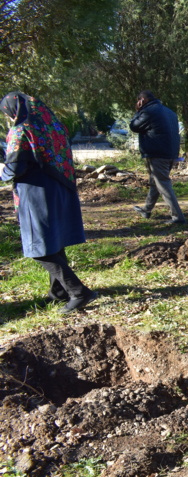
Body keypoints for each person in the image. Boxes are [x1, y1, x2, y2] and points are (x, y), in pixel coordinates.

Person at [1, 92, 99, 314]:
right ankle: (59, 292)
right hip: (60, 189)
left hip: (36, 193)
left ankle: (79, 292)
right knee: (53, 240)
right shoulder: (55, 127)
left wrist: (2, 172)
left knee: (39, 248)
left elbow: (16, 167)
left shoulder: (20, 130)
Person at [129, 90, 186, 224]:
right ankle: (147, 209)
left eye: (139, 101)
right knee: (156, 182)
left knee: (163, 184)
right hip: (170, 153)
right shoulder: (170, 112)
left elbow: (134, 126)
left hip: (157, 153)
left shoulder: (148, 111)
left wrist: (137, 111)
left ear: (142, 100)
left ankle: (178, 217)